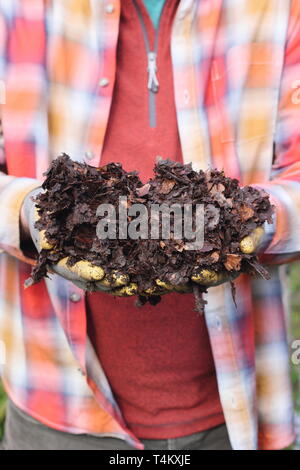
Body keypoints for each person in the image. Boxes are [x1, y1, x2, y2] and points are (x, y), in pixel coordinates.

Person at [0, 0, 299, 451]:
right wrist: (27, 213)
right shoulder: (16, 11)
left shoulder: (280, 10)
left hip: (233, 413)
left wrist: (257, 220)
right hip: (55, 406)